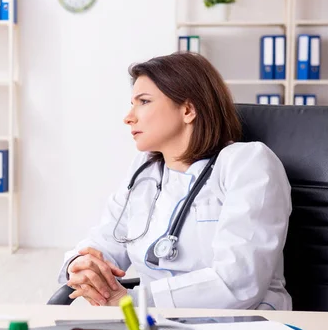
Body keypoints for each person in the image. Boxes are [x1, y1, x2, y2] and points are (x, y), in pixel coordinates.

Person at [57, 52, 292, 310]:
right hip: (154, 326)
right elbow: (104, 241)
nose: (128, 117)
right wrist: (79, 265)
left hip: (240, 328)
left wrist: (132, 300)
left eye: (143, 101)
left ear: (188, 110)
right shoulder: (145, 170)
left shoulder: (246, 162)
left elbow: (238, 282)